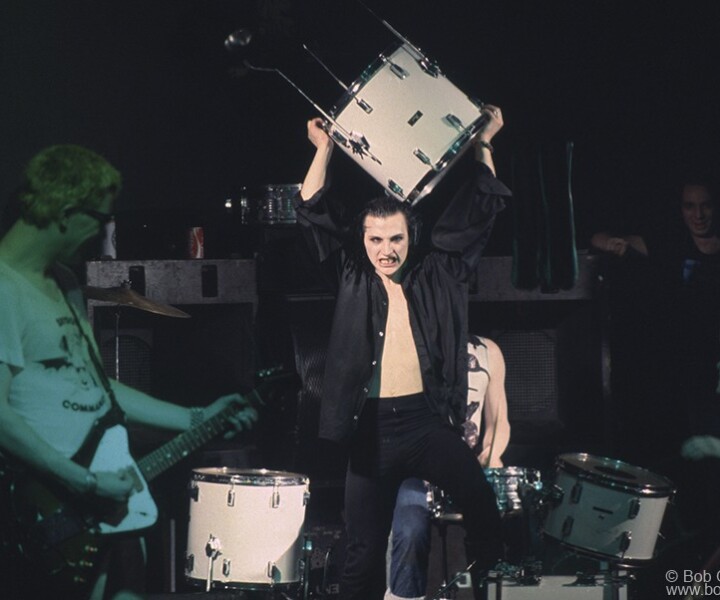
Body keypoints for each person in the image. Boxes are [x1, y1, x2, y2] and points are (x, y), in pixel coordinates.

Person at [0, 145, 258, 600]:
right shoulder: (4, 289)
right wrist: (83, 481)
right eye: (100, 221)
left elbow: (99, 388)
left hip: (110, 494)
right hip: (56, 508)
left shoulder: (65, 281)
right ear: (64, 212)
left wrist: (197, 417)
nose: (100, 236)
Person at [295, 105, 511, 600]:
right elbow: (309, 207)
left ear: (410, 238)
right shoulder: (350, 274)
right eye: (375, 239)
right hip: (369, 431)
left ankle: (490, 590)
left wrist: (484, 144)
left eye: (395, 239)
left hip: (424, 422)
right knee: (362, 554)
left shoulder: (437, 273)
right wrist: (324, 149)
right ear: (364, 239)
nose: (385, 249)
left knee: (483, 508)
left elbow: (481, 209)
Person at [386, 335, 510, 600]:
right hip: (418, 469)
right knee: (410, 529)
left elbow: (500, 420)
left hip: (468, 469)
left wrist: (492, 452)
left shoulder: (489, 351)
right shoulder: (410, 345)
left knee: (500, 529)